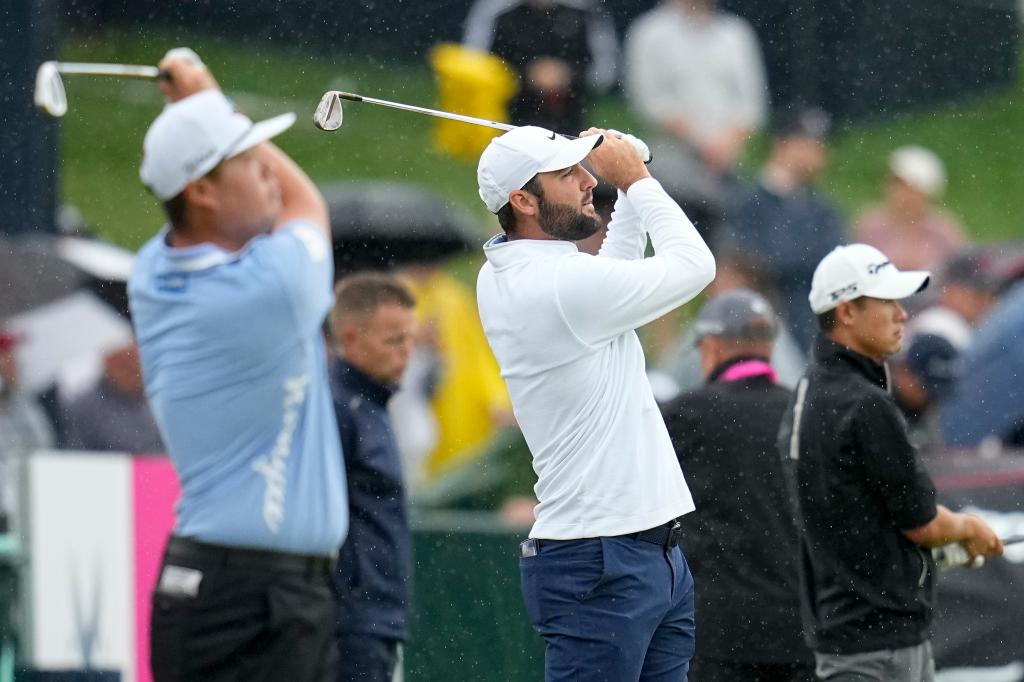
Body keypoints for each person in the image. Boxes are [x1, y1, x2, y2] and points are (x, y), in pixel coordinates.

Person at [128, 52, 347, 681]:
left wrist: (204, 118)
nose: (270, 175)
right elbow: (309, 207)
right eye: (251, 162)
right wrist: (208, 101)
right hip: (248, 595)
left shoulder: (155, 271)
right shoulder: (268, 288)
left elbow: (268, 209)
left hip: (234, 586)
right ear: (200, 191)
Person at [475, 125, 716, 679]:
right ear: (523, 200)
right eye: (568, 174)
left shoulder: (518, 271)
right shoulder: (558, 285)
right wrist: (637, 178)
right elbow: (696, 267)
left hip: (641, 552)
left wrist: (629, 190)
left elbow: (615, 277)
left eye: (586, 169)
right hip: (600, 560)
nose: (589, 181)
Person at [778, 243, 1003, 681]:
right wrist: (969, 528)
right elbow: (921, 522)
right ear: (846, 311)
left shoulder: (809, 389)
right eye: (888, 302)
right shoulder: (864, 404)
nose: (903, 314)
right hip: (880, 647)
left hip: (843, 631)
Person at [661, 290, 814, 681]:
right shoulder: (808, 411)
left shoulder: (687, 413)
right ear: (769, 345)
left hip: (719, 633)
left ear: (711, 348)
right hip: (804, 629)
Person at [327, 273, 416, 682]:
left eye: (410, 339)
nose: (407, 353)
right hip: (348, 620)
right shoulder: (337, 408)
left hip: (372, 616)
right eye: (394, 341)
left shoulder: (370, 404)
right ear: (350, 338)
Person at [624, 0, 768, 213]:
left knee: (727, 240)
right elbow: (650, 102)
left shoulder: (736, 34)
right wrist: (704, 145)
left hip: (727, 167)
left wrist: (724, 147)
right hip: (671, 165)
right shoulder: (650, 33)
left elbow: (751, 104)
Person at [720, 106, 845, 350]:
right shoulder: (745, 205)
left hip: (814, 334)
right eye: (810, 143)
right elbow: (751, 268)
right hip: (762, 334)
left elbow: (836, 268)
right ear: (782, 144)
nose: (820, 153)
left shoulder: (823, 209)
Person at [890, 250, 1000, 446]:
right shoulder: (946, 326)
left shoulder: (931, 318)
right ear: (949, 290)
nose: (987, 301)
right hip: (933, 436)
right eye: (977, 293)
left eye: (990, 293)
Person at [463, 0, 618, 134]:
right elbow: (474, 71)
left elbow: (604, 73)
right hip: (509, 125)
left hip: (572, 127)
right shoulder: (494, 11)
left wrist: (568, 75)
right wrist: (524, 76)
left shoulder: (585, 11)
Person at [853, 146, 967, 272]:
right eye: (897, 184)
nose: (901, 194)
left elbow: (961, 273)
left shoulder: (943, 230)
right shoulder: (871, 225)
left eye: (911, 188)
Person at [61, 341, 164, 453]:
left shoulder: (156, 399)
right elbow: (77, 455)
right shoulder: (85, 406)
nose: (131, 370)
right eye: (124, 365)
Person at [0, 328, 54, 533]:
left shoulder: (24, 405)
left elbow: (43, 449)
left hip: (23, 512)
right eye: (4, 355)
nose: (11, 363)